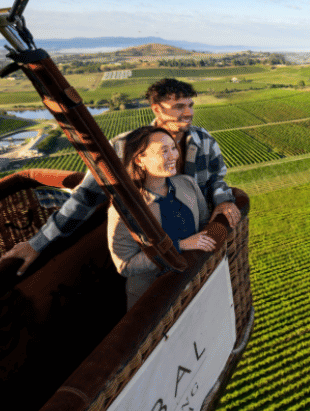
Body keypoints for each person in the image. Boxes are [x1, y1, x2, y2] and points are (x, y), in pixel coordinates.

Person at [1, 78, 241, 275]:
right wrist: (38, 243)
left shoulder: (203, 140)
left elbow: (216, 179)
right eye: (179, 107)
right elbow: (85, 198)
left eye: (190, 105)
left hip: (196, 245)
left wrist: (224, 201)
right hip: (148, 253)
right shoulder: (122, 148)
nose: (188, 113)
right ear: (157, 109)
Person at [110, 126, 216, 309]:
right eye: (164, 151)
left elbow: (204, 223)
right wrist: (179, 245)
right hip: (154, 300)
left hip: (194, 285)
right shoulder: (124, 208)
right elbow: (125, 265)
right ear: (139, 159)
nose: (173, 155)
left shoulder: (187, 184)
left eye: (173, 148)